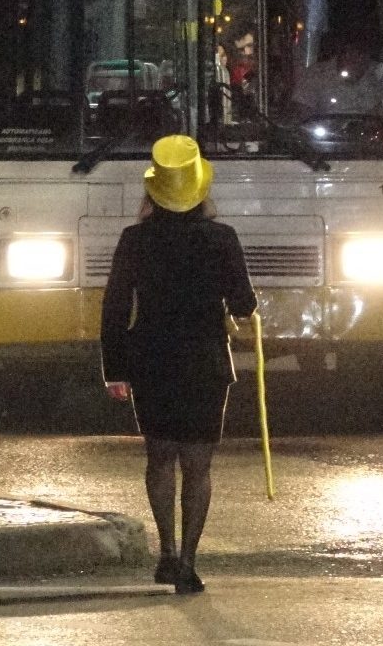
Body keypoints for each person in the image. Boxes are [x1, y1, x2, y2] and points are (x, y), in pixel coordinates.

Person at [100, 134, 257, 595]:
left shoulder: (134, 239)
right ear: (200, 190)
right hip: (206, 363)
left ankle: (165, 552)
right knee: (198, 464)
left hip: (150, 361)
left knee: (160, 455)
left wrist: (115, 369)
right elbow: (244, 304)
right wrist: (243, 309)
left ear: (154, 192)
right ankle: (188, 561)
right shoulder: (222, 238)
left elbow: (113, 309)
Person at [288, 0, 383, 118]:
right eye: (347, 15)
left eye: (363, 15)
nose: (355, 26)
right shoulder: (314, 79)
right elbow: (303, 127)